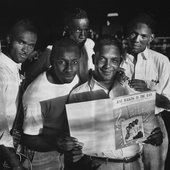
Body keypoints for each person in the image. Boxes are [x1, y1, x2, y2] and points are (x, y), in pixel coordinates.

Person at [66, 37, 163, 170]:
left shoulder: (133, 91)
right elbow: (73, 141)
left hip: (135, 164)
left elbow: (149, 132)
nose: (107, 66)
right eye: (102, 59)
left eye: (114, 60)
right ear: (94, 59)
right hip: (100, 165)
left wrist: (155, 136)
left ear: (120, 62)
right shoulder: (78, 95)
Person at [21, 38, 83, 170]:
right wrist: (57, 145)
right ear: (51, 61)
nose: (69, 69)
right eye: (61, 62)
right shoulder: (36, 93)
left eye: (74, 62)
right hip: (40, 155)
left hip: (64, 150)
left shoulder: (75, 79)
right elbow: (28, 138)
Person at [120, 13, 170, 170]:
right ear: (127, 34)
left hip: (153, 123)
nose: (136, 40)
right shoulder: (116, 60)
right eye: (134, 34)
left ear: (151, 38)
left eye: (143, 36)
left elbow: (168, 103)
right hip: (123, 124)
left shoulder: (161, 61)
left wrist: (148, 92)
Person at [21, 7, 95, 86]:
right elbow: (28, 79)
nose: (83, 35)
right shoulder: (51, 51)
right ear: (66, 29)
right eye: (78, 30)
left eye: (86, 30)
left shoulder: (89, 45)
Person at [0, 19, 38, 169]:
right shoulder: (2, 74)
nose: (26, 50)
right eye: (21, 42)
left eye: (31, 45)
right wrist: (14, 163)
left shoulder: (15, 68)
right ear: (9, 39)